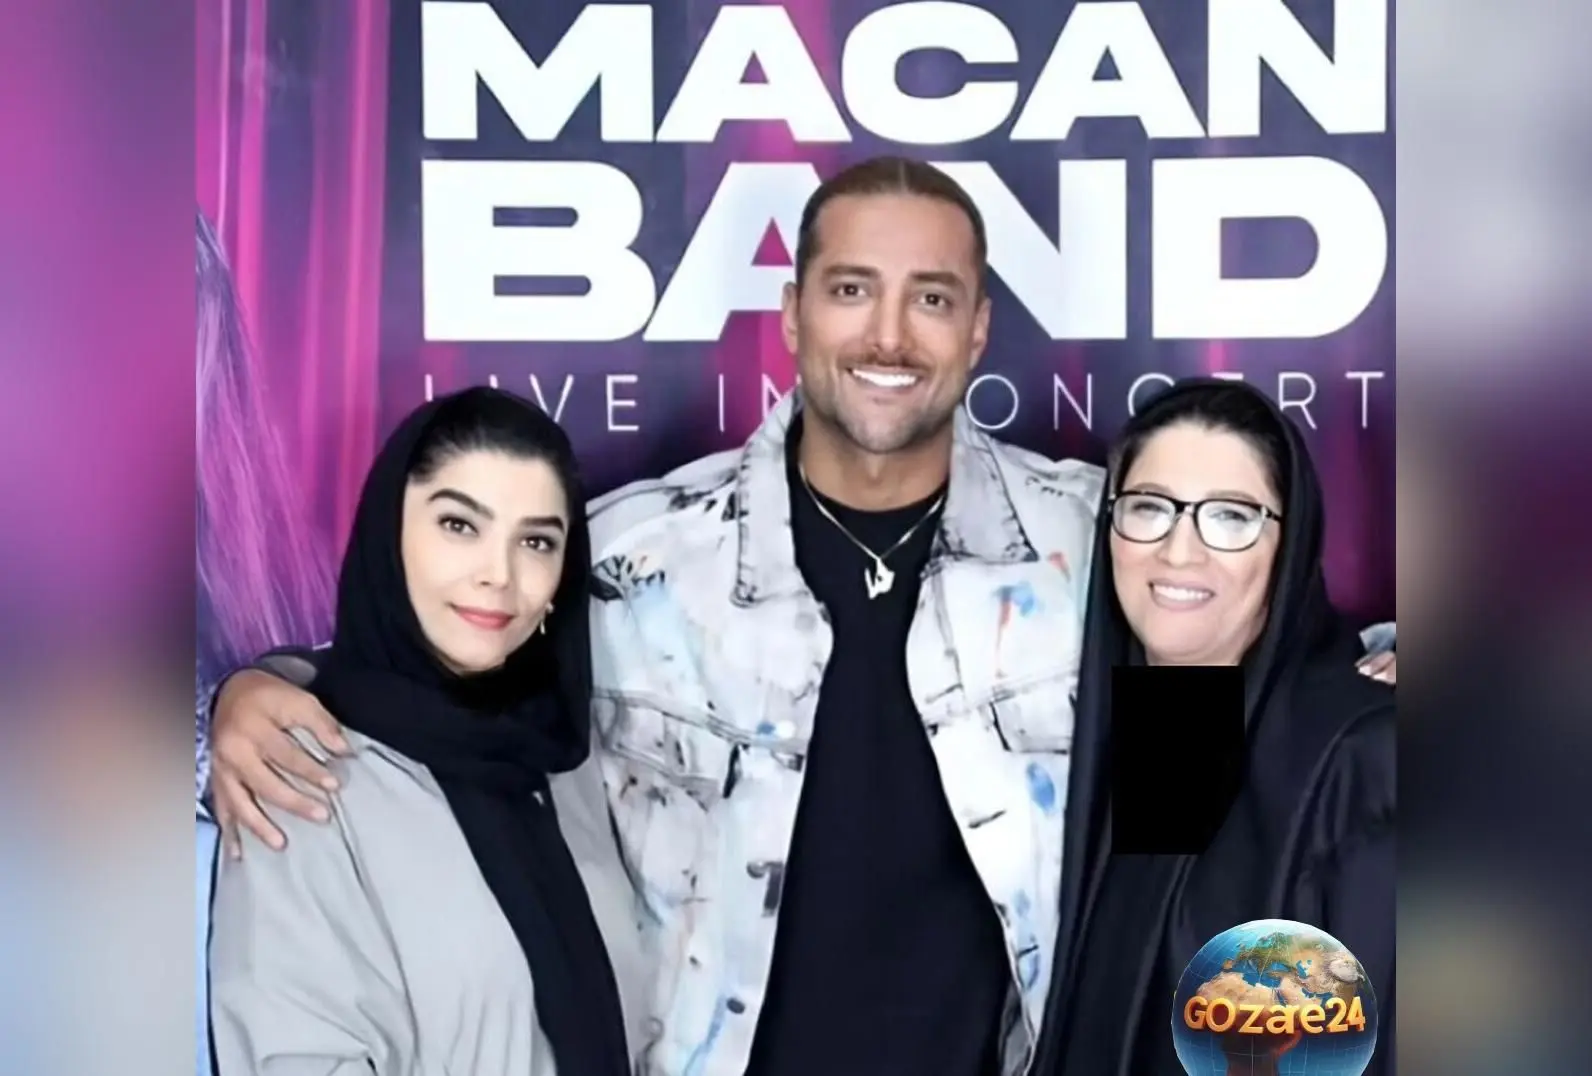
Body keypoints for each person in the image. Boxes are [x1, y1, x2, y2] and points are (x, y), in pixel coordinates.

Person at [201, 158, 1394, 1076]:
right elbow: (452, 644)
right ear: (790, 313)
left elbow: (1246, 688)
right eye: (850, 290)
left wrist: (1403, 674)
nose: (888, 335)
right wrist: (273, 683)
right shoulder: (635, 554)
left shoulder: (1098, 539)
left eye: (931, 297)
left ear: (979, 328)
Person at [207, 387, 630, 1076]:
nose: (498, 575)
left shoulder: (564, 758)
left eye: (536, 541)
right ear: (389, 534)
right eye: (459, 525)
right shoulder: (299, 766)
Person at [1033, 379, 1395, 1076]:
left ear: (1290, 544)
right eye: (1149, 507)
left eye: (1231, 517)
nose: (1178, 551)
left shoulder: (1363, 758)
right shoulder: (1132, 733)